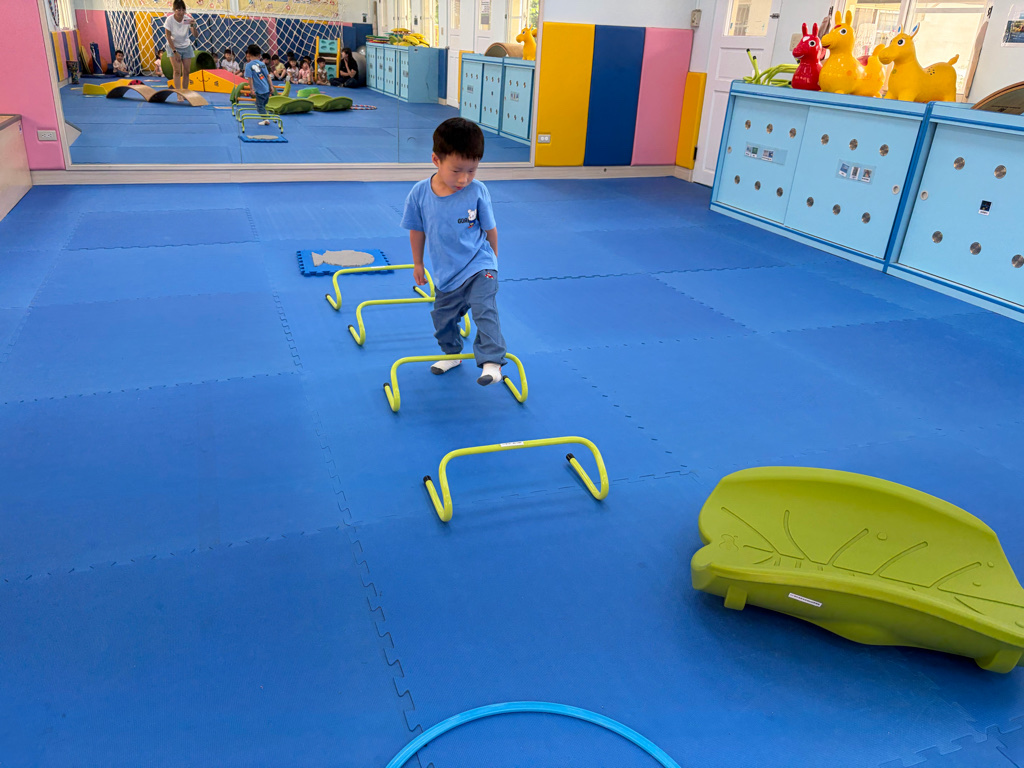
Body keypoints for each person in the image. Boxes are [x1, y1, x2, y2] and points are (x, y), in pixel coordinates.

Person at [401, 118, 504, 386]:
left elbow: (490, 230)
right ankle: (452, 354)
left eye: (472, 170)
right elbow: (417, 231)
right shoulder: (419, 194)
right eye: (457, 170)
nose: (464, 179)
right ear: (436, 160)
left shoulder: (478, 191)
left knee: (484, 309)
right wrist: (417, 264)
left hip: (479, 265)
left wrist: (493, 262)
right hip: (446, 274)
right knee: (442, 320)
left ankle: (492, 362)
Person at [163, 0, 198, 102]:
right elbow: (168, 36)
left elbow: (195, 35)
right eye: (178, 10)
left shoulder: (186, 19)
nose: (181, 12)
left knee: (186, 71)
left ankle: (185, 92)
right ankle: (179, 94)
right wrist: (175, 52)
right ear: (174, 10)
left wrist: (193, 26)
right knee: (177, 71)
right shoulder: (170, 20)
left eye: (183, 10)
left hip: (186, 46)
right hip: (173, 46)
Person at [243, 44, 272, 127]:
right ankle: (265, 116)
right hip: (266, 89)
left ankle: (265, 119)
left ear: (248, 54)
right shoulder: (262, 64)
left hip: (260, 90)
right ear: (259, 55)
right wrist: (271, 87)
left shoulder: (248, 65)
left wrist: (251, 89)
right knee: (263, 104)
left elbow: (250, 78)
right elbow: (268, 76)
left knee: (259, 106)